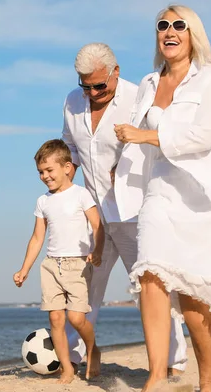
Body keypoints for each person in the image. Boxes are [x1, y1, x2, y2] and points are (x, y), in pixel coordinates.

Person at [114, 5, 211, 392]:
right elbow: (127, 130)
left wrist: (143, 135)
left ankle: (208, 380)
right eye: (162, 25)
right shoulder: (147, 82)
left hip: (204, 196)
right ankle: (156, 377)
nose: (169, 30)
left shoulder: (209, 78)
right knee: (150, 275)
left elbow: (203, 137)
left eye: (179, 24)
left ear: (192, 33)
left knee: (196, 297)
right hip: (161, 188)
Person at [62, 42, 188, 374]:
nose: (92, 92)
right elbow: (72, 146)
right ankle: (72, 357)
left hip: (136, 212)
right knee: (83, 289)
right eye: (85, 86)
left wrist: (131, 163)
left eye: (99, 85)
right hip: (93, 217)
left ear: (115, 72)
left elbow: (164, 140)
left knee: (153, 287)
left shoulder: (139, 96)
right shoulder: (73, 102)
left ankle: (173, 362)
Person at [13, 139, 104, 384]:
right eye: (40, 172)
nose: (44, 176)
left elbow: (97, 225)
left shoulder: (81, 194)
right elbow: (37, 238)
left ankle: (92, 348)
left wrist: (97, 250)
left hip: (77, 264)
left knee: (76, 318)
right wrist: (24, 269)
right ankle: (66, 367)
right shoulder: (43, 201)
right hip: (51, 265)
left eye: (49, 170)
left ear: (66, 167)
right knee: (55, 318)